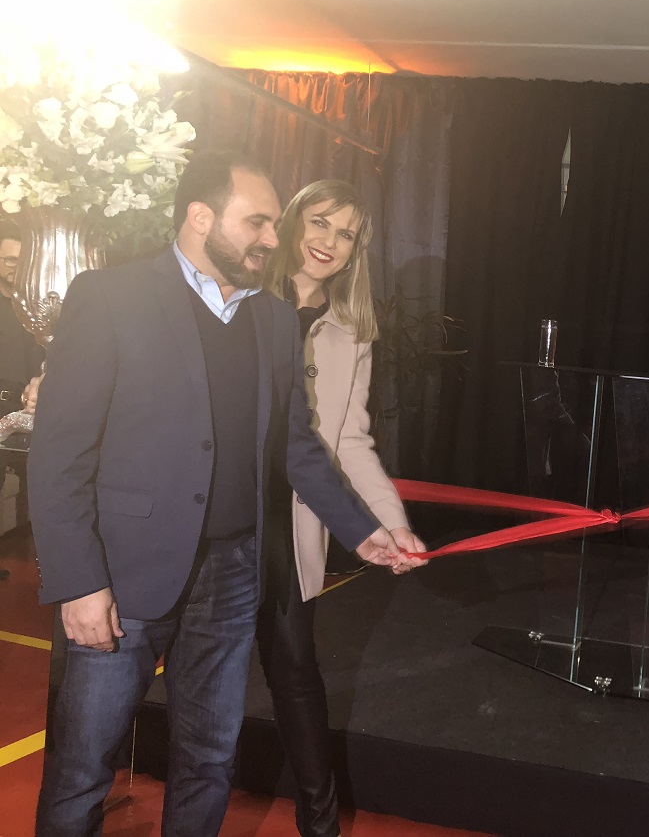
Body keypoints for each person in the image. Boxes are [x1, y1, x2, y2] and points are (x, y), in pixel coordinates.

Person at [28, 151, 417, 837]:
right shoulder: (110, 297)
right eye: (257, 222)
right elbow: (61, 455)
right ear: (200, 217)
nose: (272, 238)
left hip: (233, 576)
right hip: (123, 574)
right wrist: (79, 582)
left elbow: (297, 447)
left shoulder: (273, 319)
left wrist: (364, 532)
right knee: (84, 765)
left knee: (209, 760)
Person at [258, 179, 427, 836]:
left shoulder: (351, 331)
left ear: (358, 251)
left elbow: (350, 441)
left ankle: (320, 824)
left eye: (347, 233)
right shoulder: (239, 298)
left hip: (295, 519)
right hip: (220, 516)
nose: (329, 241)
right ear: (293, 221)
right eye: (320, 222)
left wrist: (393, 524)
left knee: (296, 670)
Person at [0, 227, 44, 418]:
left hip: (36, 412)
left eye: (24, 260)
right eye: (11, 260)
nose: (18, 267)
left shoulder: (44, 306)